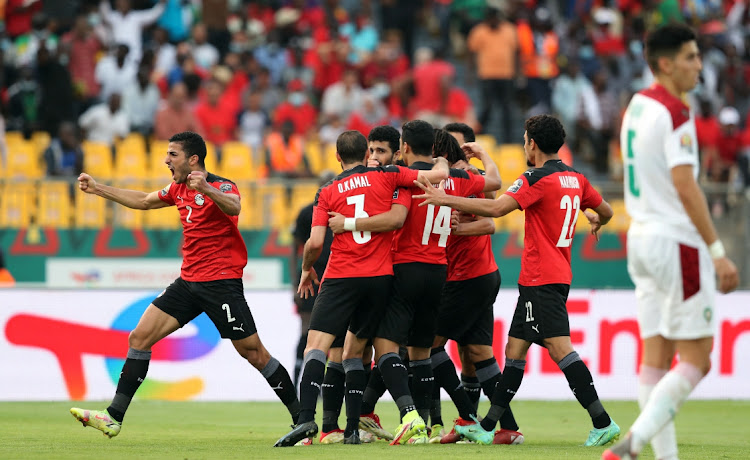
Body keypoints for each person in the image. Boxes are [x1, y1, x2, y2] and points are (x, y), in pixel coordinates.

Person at [70, 131, 300, 437]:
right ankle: (113, 417)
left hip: (221, 283)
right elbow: (143, 200)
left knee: (254, 352)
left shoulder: (220, 185)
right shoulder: (178, 188)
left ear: (194, 159)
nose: (166, 160)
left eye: (173, 155)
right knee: (139, 337)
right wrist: (99, 189)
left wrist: (205, 187)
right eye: (167, 154)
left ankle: (302, 419)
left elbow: (234, 206)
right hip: (189, 282)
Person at [413, 114, 619, 446]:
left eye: (525, 139)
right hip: (551, 276)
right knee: (514, 350)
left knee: (560, 348)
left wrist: (444, 199)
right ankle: (491, 425)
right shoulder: (576, 178)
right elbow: (606, 211)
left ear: (532, 143)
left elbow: (496, 211)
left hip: (542, 277)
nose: (524, 144)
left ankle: (603, 421)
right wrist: (594, 218)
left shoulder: (534, 178)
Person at [603, 24, 739, 460]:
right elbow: (686, 184)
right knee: (699, 360)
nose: (699, 65)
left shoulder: (636, 106)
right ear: (665, 63)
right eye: (690, 57)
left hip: (640, 238)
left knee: (655, 359)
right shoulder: (677, 113)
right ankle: (633, 445)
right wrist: (717, 252)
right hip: (676, 242)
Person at [273, 130, 449, 447]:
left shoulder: (326, 191)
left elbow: (313, 243)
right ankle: (353, 429)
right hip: (381, 277)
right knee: (358, 351)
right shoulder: (388, 176)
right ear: (365, 154)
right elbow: (437, 175)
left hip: (341, 275)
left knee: (317, 346)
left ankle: (307, 422)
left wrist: (306, 269)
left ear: (337, 157)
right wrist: (442, 161)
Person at [342, 120, 501, 443]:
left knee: (386, 346)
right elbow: (495, 182)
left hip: (404, 268)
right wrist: (482, 155)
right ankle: (424, 427)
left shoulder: (404, 179)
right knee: (421, 352)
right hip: (438, 271)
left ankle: (404, 416)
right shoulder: (456, 178)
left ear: (406, 148)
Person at [427, 129, 523, 446]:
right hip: (473, 276)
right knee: (480, 351)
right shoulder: (449, 179)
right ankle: (508, 429)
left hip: (469, 276)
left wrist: (460, 227)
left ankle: (468, 419)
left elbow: (491, 223)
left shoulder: (470, 179)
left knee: (427, 347)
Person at [290, 172, 336, 388]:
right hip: (311, 280)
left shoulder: (340, 212)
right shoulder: (307, 213)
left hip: (335, 279)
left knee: (329, 335)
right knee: (307, 331)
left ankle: (317, 383)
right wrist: (295, 284)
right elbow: (295, 249)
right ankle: (297, 377)